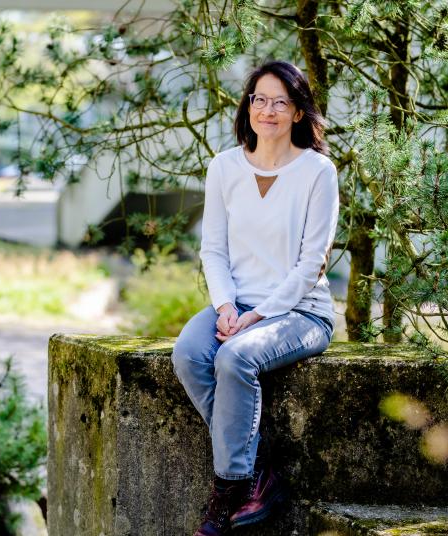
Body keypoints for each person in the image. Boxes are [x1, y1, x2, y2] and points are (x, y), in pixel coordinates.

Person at [171, 60, 339, 535]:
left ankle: (229, 490)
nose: (267, 110)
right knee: (187, 353)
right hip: (236, 303)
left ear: (299, 113)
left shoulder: (317, 172)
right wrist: (226, 306)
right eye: (259, 100)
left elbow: (312, 265)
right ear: (248, 106)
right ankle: (260, 468)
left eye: (280, 102)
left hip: (300, 312)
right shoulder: (224, 166)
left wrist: (257, 316)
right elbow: (213, 248)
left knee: (234, 360)